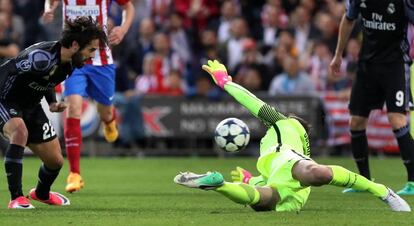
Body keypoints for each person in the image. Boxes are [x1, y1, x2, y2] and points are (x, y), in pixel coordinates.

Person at [174, 60, 411, 212]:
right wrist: (249, 179)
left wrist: (226, 83)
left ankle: (221, 184)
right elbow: (278, 170)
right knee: (311, 175)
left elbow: (254, 103)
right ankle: (382, 192)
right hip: (293, 177)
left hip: (285, 170)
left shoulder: (285, 126)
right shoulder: (291, 134)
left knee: (262, 199)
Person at [0, 16, 107, 209]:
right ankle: (16, 197)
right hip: (6, 100)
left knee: (55, 161)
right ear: (75, 45)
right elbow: (7, 68)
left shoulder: (70, 62)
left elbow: (46, 79)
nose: (92, 56)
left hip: (31, 105)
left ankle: (41, 194)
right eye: (91, 49)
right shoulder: (40, 57)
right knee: (19, 132)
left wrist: (52, 103)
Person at [43, 0, 135, 193]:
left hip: (102, 60)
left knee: (105, 112)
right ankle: (74, 174)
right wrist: (49, 9)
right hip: (74, 58)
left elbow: (128, 7)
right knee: (73, 108)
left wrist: (123, 29)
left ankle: (109, 120)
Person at [329, 0, 414, 195]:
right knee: (356, 122)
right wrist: (338, 54)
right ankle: (365, 181)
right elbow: (348, 19)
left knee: (396, 119)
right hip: (367, 65)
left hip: (395, 65)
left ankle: (413, 182)